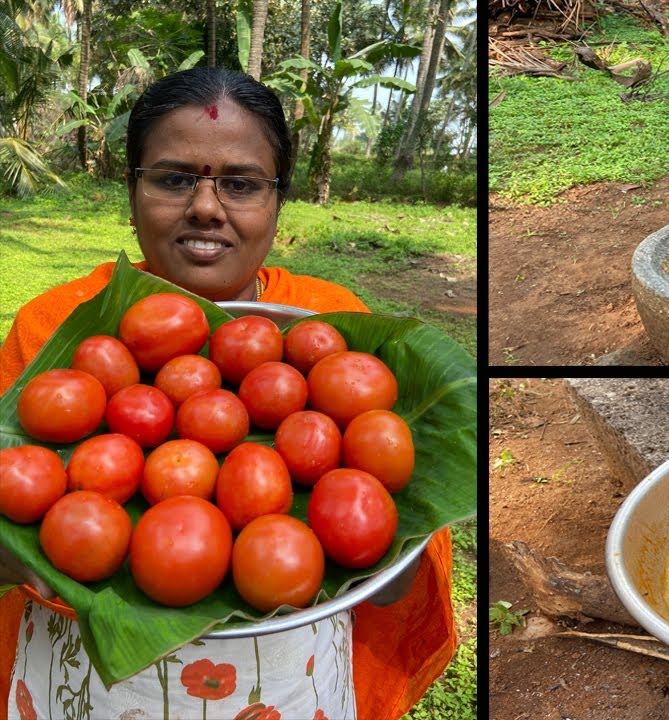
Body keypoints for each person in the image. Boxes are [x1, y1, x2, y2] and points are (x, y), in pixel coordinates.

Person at [0, 67, 457, 719]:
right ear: (130, 197)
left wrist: (381, 534)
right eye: (173, 178)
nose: (207, 206)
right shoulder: (55, 327)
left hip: (284, 686)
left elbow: (390, 581)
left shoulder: (329, 324)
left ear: (277, 201)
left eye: (240, 184)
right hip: (81, 686)